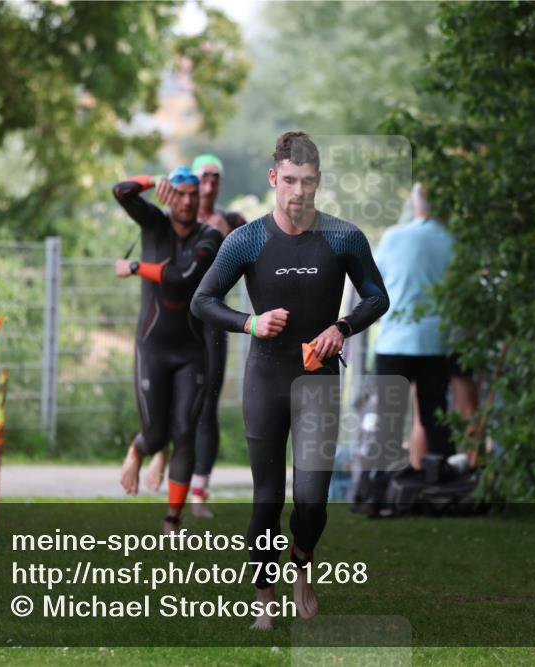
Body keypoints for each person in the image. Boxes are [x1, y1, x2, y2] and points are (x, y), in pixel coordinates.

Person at [192, 132, 388, 628]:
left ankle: (302, 564)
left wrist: (341, 328)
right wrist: (250, 323)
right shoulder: (248, 239)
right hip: (266, 378)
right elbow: (203, 300)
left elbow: (376, 297)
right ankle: (264, 602)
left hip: (319, 381)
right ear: (273, 179)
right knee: (267, 498)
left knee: (312, 502)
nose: (299, 191)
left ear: (318, 181)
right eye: (291, 181)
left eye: (309, 181)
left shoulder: (343, 237)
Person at [112, 166, 222, 534]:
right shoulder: (154, 223)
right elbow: (121, 191)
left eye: (193, 194)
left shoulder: (210, 236)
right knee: (157, 434)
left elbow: (182, 276)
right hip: (152, 348)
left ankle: (172, 520)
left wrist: (134, 266)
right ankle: (140, 449)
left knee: (185, 431)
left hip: (192, 350)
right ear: (171, 194)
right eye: (180, 193)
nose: (188, 200)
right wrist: (152, 178)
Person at [143, 154, 248, 517]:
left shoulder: (231, 220)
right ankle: (161, 452)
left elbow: (255, 256)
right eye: (204, 176)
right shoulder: (176, 218)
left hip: (212, 320)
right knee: (168, 401)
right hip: (175, 322)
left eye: (215, 177)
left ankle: (200, 488)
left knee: (205, 407)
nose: (209, 184)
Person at [373, 182, 455, 469]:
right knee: (436, 418)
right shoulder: (453, 242)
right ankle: (441, 485)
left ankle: (381, 488)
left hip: (395, 341)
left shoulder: (394, 238)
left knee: (388, 421)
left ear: (414, 202)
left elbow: (373, 281)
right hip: (436, 341)